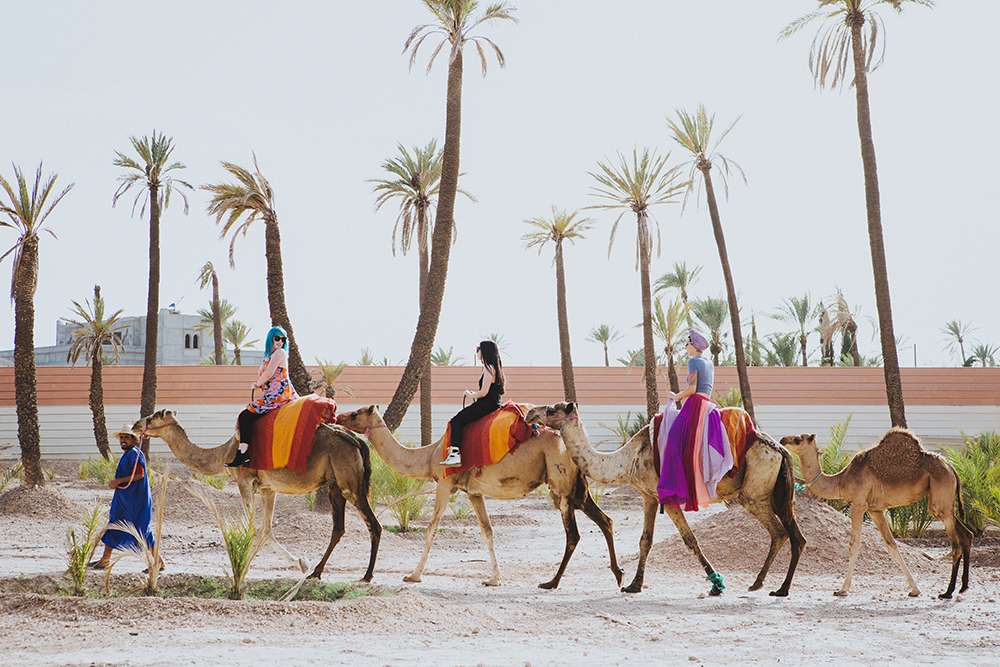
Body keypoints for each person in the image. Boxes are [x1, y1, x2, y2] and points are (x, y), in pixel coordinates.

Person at [657, 329, 732, 510]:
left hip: (695, 404)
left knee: (674, 441)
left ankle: (676, 489)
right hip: (707, 403)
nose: (685, 347)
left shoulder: (693, 362)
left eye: (687, 344)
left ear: (693, 345)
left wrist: (676, 397)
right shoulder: (708, 363)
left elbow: (692, 389)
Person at [88, 426, 161, 570]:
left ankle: (158, 562)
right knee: (115, 525)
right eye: (121, 437)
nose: (123, 440)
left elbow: (140, 474)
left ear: (134, 439)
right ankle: (105, 559)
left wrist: (118, 481)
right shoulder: (129, 454)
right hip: (125, 499)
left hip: (135, 501)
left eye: (127, 437)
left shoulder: (134, 453)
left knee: (140, 530)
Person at [227, 325, 299, 467]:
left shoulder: (280, 353)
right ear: (270, 339)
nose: (280, 342)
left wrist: (256, 383)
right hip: (272, 392)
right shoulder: (270, 356)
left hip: (278, 394)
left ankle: (243, 453)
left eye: (283, 339)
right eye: (277, 338)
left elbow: (269, 373)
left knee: (245, 416)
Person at [442, 340, 505, 467]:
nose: (477, 352)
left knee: (456, 421)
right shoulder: (496, 368)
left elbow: (483, 392)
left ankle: (454, 454)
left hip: (487, 404)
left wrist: (470, 394)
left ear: (485, 351)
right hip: (492, 403)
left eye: (479, 349)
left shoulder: (488, 368)